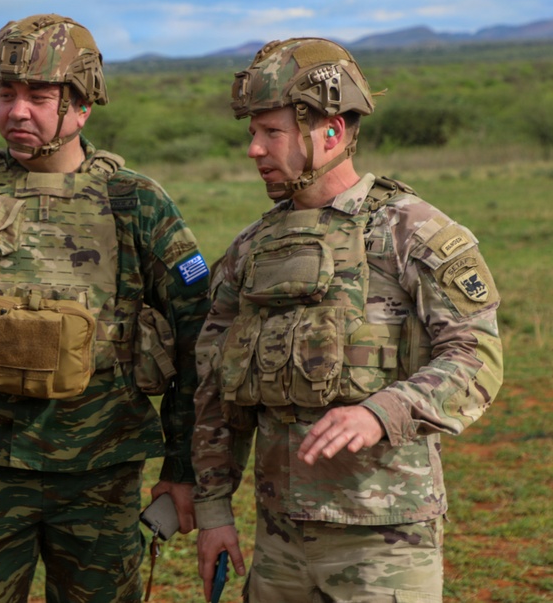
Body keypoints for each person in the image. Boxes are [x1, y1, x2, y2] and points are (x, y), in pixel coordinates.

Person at [0, 13, 210, 602]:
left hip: (102, 475)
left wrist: (181, 468)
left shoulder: (135, 203)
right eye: (6, 94)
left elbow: (197, 338)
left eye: (38, 95)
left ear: (82, 106)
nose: (17, 110)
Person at [191, 37, 503, 602]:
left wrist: (383, 412)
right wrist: (214, 509)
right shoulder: (251, 249)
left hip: (385, 543)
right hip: (280, 540)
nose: (254, 150)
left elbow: (476, 358)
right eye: (252, 133)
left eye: (273, 133)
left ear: (330, 130)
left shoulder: (412, 231)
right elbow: (216, 386)